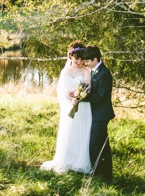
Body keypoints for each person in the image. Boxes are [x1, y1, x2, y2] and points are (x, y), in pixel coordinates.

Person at [41, 41, 92, 174]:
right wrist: (70, 98)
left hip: (83, 107)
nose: (79, 61)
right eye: (76, 58)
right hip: (69, 107)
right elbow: (61, 90)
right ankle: (67, 160)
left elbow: (88, 87)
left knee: (81, 132)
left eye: (81, 58)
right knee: (69, 132)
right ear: (70, 57)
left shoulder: (86, 71)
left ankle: (80, 162)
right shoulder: (65, 71)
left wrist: (78, 96)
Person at [76, 45, 114, 182]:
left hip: (101, 115)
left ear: (95, 59)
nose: (85, 63)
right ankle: (106, 173)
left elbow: (100, 97)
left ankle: (97, 174)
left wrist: (83, 97)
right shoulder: (94, 71)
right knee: (103, 145)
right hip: (95, 114)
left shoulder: (104, 73)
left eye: (87, 61)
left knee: (94, 145)